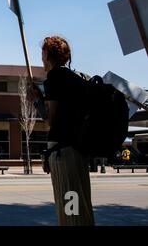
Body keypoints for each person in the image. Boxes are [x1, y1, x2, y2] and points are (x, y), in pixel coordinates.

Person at [35, 36, 95, 226]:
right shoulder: (74, 78)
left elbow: (52, 119)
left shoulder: (55, 77)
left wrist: (36, 102)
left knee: (70, 209)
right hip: (76, 151)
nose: (41, 58)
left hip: (64, 154)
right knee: (79, 205)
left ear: (47, 54)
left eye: (42, 53)